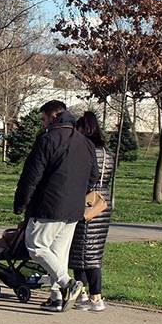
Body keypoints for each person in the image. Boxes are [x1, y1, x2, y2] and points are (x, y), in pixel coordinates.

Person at [12, 100, 94, 313]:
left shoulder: (47, 139)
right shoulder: (84, 142)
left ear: (53, 116)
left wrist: (21, 202)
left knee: (36, 246)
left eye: (43, 119)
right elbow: (93, 176)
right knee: (58, 255)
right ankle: (56, 298)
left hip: (49, 205)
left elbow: (31, 175)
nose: (42, 124)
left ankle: (69, 284)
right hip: (74, 209)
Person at [69, 111, 115, 312]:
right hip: (103, 203)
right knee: (94, 252)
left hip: (86, 201)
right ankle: (94, 295)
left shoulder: (84, 151)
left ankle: (89, 295)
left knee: (79, 252)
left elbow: (81, 177)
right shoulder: (108, 153)